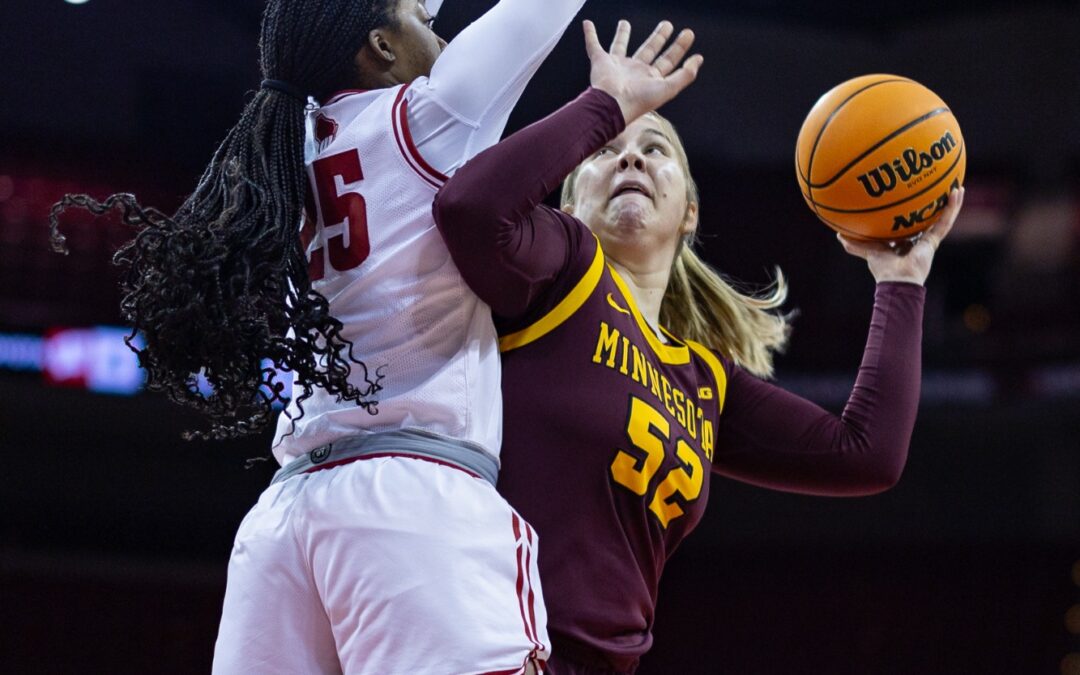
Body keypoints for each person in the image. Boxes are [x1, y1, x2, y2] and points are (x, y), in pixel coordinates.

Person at [50, 0, 595, 672]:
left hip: (288, 520)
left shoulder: (290, 148)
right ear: (380, 48)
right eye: (423, 21)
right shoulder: (430, 116)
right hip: (410, 504)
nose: (443, 31)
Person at [433, 19, 965, 674]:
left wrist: (900, 281)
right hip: (490, 643)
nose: (630, 157)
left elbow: (868, 455)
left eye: (655, 148)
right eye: (605, 151)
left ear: (689, 209)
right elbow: (468, 208)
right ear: (569, 203)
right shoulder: (562, 270)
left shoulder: (706, 382)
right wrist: (606, 106)